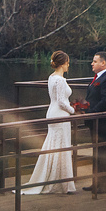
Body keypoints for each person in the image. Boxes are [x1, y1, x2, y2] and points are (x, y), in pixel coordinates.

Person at [24, 50, 77, 195]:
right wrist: (73, 110)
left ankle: (56, 177)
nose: (68, 66)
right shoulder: (60, 80)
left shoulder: (51, 77)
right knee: (62, 144)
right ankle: (61, 181)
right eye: (67, 63)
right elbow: (61, 101)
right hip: (60, 113)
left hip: (52, 112)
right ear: (63, 63)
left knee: (54, 143)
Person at [82, 51, 106, 195]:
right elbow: (93, 96)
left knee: (104, 153)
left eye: (95, 61)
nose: (92, 63)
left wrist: (92, 112)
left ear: (103, 63)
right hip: (95, 121)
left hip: (103, 122)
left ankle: (105, 186)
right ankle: (96, 182)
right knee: (96, 153)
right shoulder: (98, 78)